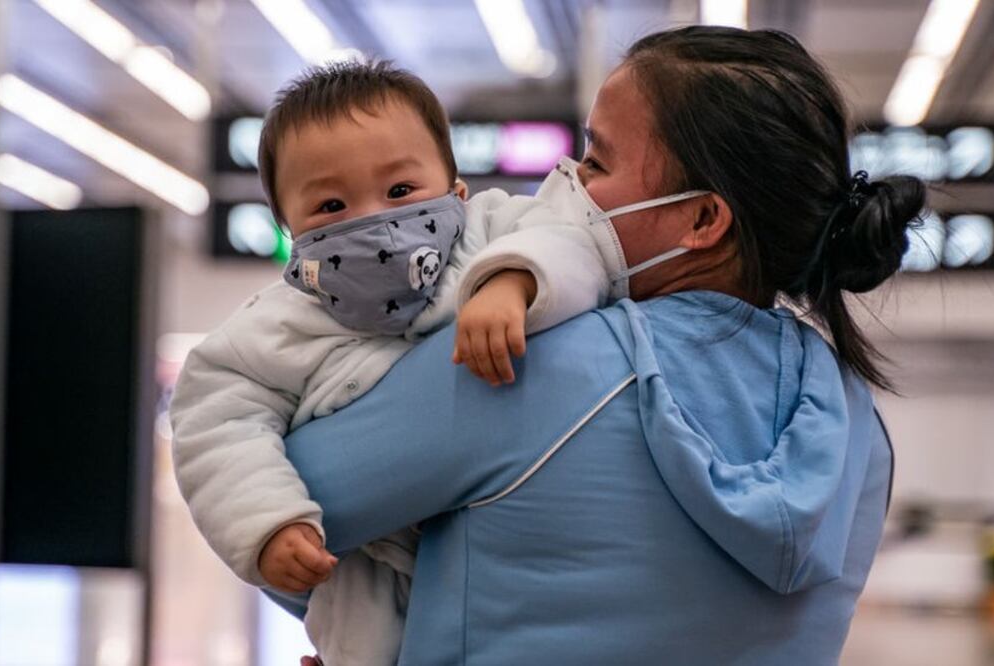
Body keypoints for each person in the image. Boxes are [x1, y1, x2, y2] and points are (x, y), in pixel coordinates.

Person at [279, 26, 922, 665]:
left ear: (701, 220)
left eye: (598, 161)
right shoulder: (858, 423)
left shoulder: (535, 362)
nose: (568, 182)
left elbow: (275, 510)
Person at [171, 61, 611, 665]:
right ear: (290, 233)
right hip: (368, 579)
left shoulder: (492, 233)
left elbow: (572, 242)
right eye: (330, 204)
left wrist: (513, 280)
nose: (371, 220)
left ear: (457, 192)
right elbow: (214, 421)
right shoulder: (274, 326)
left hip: (512, 545)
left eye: (401, 192)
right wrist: (268, 523)